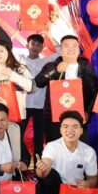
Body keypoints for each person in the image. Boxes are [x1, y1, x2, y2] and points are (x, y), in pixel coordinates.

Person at [35, 110, 98, 194]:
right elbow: (43, 172)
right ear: (60, 130)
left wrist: (87, 184)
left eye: (75, 127)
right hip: (56, 191)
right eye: (66, 127)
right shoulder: (52, 146)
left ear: (81, 130)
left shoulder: (89, 151)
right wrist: (41, 168)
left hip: (76, 191)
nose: (70, 130)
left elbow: (93, 179)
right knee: (51, 175)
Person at [34, 34, 98, 143]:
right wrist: (56, 71)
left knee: (79, 150)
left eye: (74, 46)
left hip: (79, 118)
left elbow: (95, 93)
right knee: (55, 150)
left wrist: (88, 111)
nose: (71, 49)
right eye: (66, 46)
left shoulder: (86, 69)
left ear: (78, 49)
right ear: (61, 49)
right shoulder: (52, 66)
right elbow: (38, 82)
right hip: (55, 120)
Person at [17, 34, 59, 165]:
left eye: (38, 45)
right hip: (23, 105)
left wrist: (50, 35)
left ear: (42, 47)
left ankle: (38, 168)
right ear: (27, 45)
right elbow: (6, 49)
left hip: (40, 106)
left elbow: (59, 52)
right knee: (17, 136)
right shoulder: (20, 59)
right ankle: (21, 165)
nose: (35, 47)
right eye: (33, 44)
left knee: (39, 139)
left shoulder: (46, 61)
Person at [0, 40, 34, 122]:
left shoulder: (20, 69)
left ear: (8, 52)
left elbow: (31, 87)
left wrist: (12, 74)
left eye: (1, 51)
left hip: (16, 116)